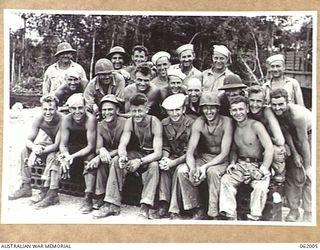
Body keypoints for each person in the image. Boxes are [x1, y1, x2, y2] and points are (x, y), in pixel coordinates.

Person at [92, 93, 162, 219]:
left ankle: (145, 207)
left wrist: (139, 162)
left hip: (150, 156)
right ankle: (112, 204)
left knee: (154, 166)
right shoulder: (130, 122)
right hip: (138, 154)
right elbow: (123, 145)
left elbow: (158, 153)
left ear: (147, 109)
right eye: (134, 111)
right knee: (116, 160)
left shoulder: (154, 122)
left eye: (140, 111)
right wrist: (123, 156)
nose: (137, 114)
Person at [169, 91, 233, 220]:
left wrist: (205, 167)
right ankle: (196, 208)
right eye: (206, 108)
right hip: (203, 157)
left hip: (221, 160)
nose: (209, 111)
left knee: (212, 173)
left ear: (218, 108)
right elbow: (190, 152)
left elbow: (225, 153)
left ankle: (213, 213)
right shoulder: (199, 122)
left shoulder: (227, 122)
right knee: (182, 171)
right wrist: (193, 168)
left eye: (212, 108)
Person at [34, 94, 97, 214]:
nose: (77, 112)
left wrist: (72, 156)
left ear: (85, 107)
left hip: (86, 150)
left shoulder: (90, 119)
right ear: (69, 109)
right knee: (55, 156)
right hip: (72, 149)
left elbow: (90, 146)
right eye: (74, 108)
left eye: (80, 108)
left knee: (90, 160)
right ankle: (52, 194)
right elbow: (63, 144)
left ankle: (88, 197)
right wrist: (65, 155)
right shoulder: (66, 120)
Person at [219, 96, 274, 221]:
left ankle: (254, 217)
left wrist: (262, 170)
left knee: (260, 187)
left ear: (247, 109)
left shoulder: (256, 126)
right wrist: (232, 163)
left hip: (257, 165)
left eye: (241, 109)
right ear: (230, 112)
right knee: (226, 180)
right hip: (240, 164)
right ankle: (230, 215)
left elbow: (269, 148)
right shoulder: (233, 127)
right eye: (235, 110)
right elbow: (233, 149)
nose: (238, 113)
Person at [8, 95, 63, 201]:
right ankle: (26, 186)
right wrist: (34, 148)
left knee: (52, 156)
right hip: (52, 145)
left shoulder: (62, 120)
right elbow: (28, 140)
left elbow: (57, 145)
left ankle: (46, 189)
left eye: (51, 109)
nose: (48, 112)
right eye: (45, 109)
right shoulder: (39, 118)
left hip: (66, 147)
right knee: (25, 150)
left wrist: (37, 152)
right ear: (41, 109)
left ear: (57, 108)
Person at [270, 88, 312, 222]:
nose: (277, 108)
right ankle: (294, 210)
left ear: (287, 102)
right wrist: (294, 154)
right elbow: (286, 132)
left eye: (280, 104)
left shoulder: (297, 116)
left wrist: (308, 164)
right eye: (274, 104)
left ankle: (309, 211)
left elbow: (303, 141)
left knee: (307, 175)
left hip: (310, 135)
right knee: (293, 174)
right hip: (292, 136)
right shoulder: (275, 113)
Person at [149, 94, 194, 219]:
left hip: (189, 158)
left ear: (183, 109)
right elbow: (166, 146)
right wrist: (165, 159)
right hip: (173, 156)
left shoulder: (192, 124)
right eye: (171, 110)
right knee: (163, 168)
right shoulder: (164, 124)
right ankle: (163, 204)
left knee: (179, 170)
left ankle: (175, 209)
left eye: (178, 110)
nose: (175, 113)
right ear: (167, 111)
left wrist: (172, 163)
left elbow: (191, 151)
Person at [86, 94, 127, 209]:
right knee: (100, 162)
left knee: (111, 159)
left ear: (117, 110)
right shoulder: (100, 125)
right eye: (104, 110)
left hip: (124, 153)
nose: (107, 112)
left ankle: (112, 201)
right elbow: (98, 147)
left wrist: (101, 155)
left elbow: (124, 147)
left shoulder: (125, 123)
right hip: (110, 154)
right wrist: (102, 151)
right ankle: (100, 195)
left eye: (110, 109)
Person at [247, 85, 287, 182]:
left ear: (264, 102)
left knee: (277, 151)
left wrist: (263, 138)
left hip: (271, 145)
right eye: (252, 100)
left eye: (259, 101)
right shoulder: (245, 111)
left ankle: (277, 183)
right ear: (247, 100)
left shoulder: (266, 111)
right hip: (253, 146)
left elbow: (280, 140)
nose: (254, 104)